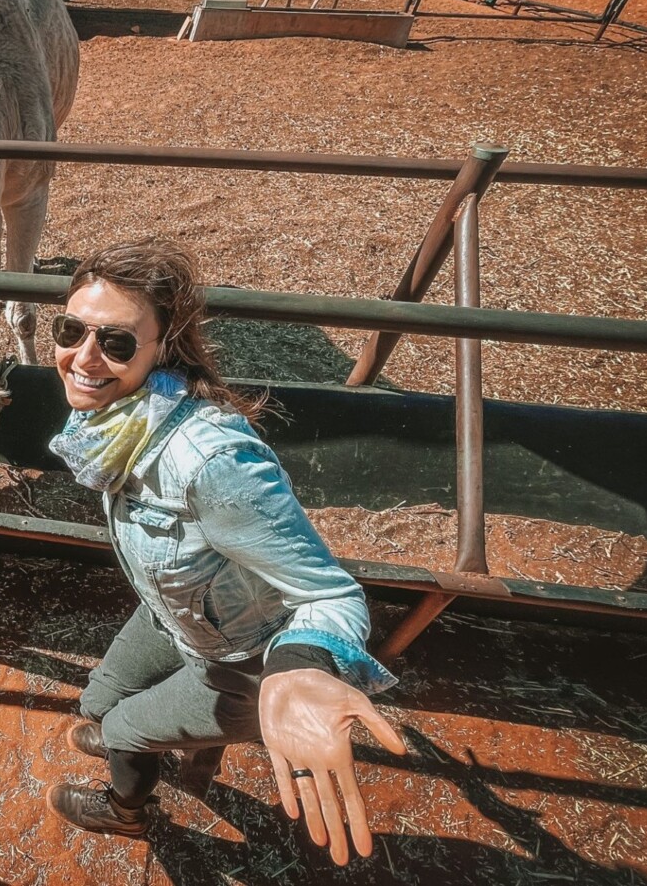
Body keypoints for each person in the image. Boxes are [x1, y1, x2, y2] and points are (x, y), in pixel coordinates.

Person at [41, 239, 405, 867]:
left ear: (163, 347)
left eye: (117, 342)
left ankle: (127, 812)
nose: (84, 356)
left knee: (121, 727)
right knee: (99, 704)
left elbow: (330, 593)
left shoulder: (209, 460)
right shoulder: (121, 420)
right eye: (70, 329)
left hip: (244, 658)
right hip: (177, 616)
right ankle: (188, 744)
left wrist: (299, 668)